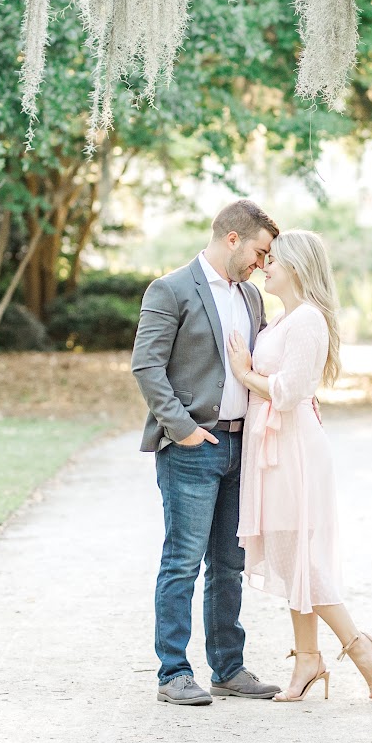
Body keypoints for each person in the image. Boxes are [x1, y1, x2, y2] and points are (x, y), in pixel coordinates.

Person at [226, 228, 372, 702]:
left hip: (296, 448)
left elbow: (291, 390)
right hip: (271, 446)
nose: (265, 264)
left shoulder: (308, 321)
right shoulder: (281, 321)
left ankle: (361, 646)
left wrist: (245, 374)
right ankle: (307, 660)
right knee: (289, 555)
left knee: (303, 556)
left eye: (274, 258)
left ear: (298, 267)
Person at [132, 199, 284, 706]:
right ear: (233, 238)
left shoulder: (252, 299)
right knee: (183, 560)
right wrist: (183, 429)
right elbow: (147, 368)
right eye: (260, 252)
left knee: (229, 563)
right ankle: (173, 672)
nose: (263, 265)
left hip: (246, 445)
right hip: (193, 447)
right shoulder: (171, 289)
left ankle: (229, 667)